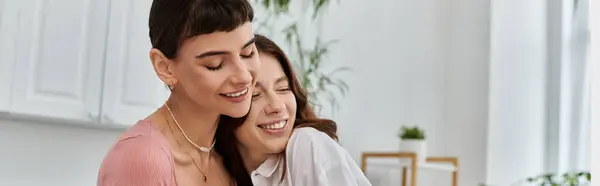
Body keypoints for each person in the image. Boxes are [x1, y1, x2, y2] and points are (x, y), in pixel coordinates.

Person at [97, 0, 259, 185]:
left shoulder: (234, 148)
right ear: (165, 67)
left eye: (248, 53)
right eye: (215, 65)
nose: (244, 76)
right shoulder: (142, 159)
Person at [214, 34, 371, 186]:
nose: (277, 106)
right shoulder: (215, 171)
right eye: (255, 95)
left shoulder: (307, 144)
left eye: (283, 88)